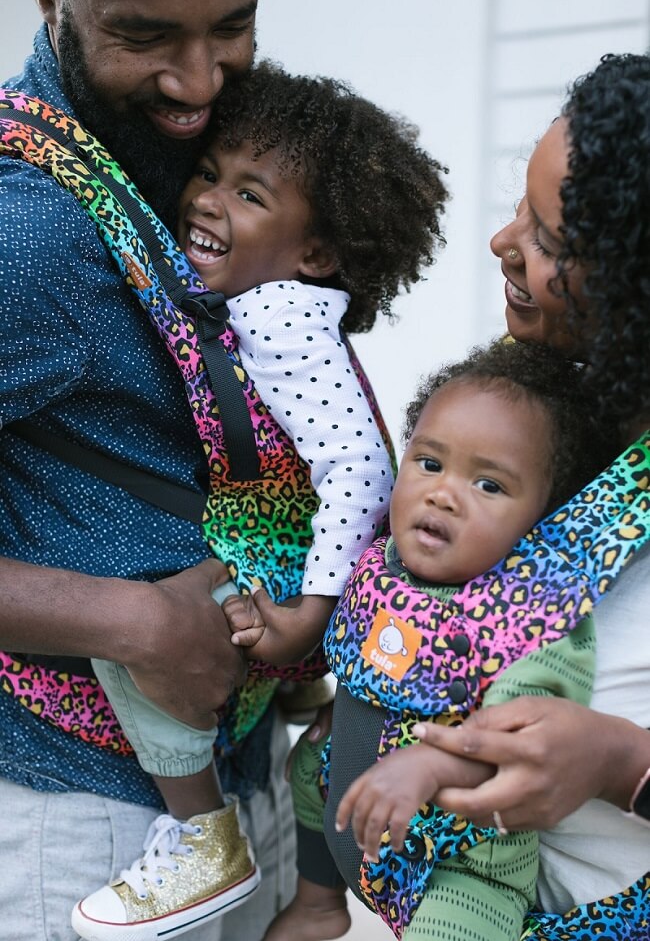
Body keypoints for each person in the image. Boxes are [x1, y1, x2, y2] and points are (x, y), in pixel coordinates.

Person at [71, 60, 449, 940]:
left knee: (139, 630)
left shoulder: (277, 313)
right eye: (209, 174)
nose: (208, 200)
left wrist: (311, 609)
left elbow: (357, 467)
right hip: (292, 541)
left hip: (293, 557)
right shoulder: (283, 300)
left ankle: (203, 829)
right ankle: (303, 700)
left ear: (314, 251)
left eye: (250, 195)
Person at [0, 0, 314, 941]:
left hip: (242, 780)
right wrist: (128, 618)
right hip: (94, 820)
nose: (196, 82)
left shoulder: (184, 152)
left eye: (232, 28)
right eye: (146, 38)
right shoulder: (28, 231)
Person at [228, 336, 621, 941]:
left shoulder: (535, 612)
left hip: (458, 864)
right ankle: (318, 902)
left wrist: (431, 764)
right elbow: (375, 656)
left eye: (489, 486)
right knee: (306, 767)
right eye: (430, 463)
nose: (443, 492)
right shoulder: (382, 563)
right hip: (357, 804)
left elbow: (526, 740)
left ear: (542, 518)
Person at [396, 51, 650, 936]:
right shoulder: (548, 424)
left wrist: (622, 762)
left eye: (548, 239)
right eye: (522, 208)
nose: (503, 244)